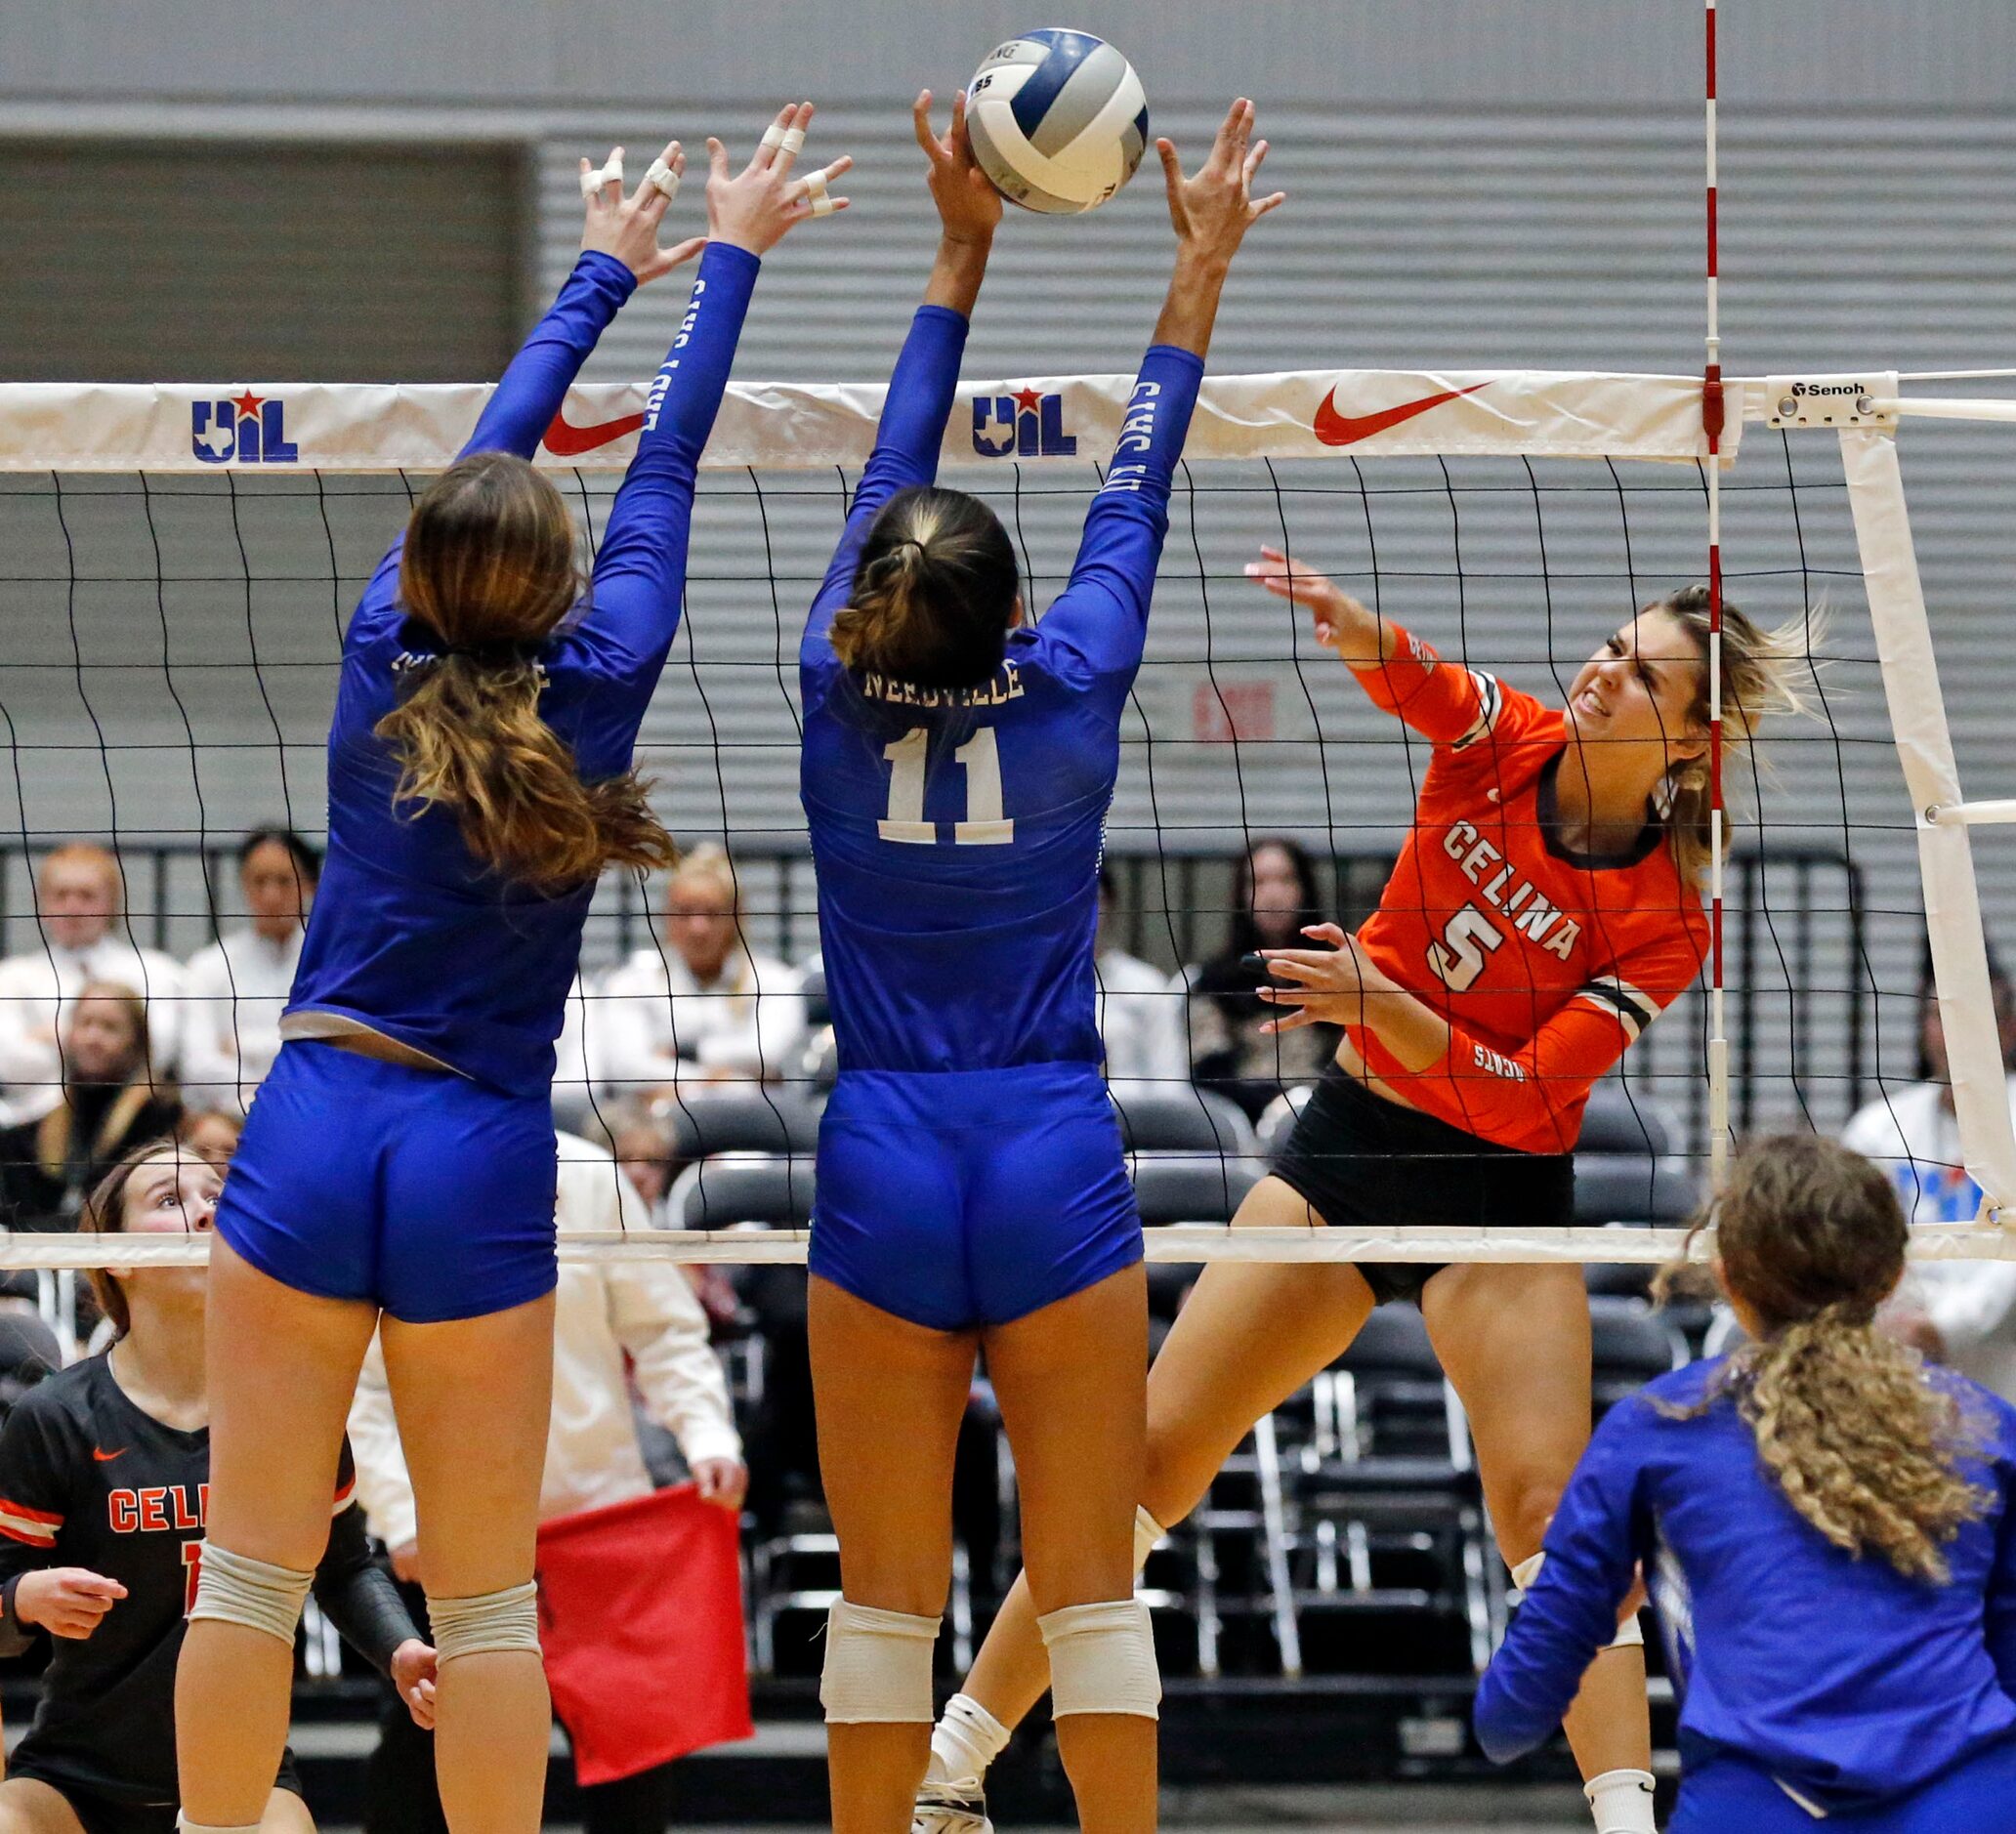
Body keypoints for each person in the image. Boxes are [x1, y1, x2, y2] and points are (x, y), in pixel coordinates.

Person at [171, 113, 847, 1834]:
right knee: (484, 1608)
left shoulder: (374, 651)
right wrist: (738, 250)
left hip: (317, 1113)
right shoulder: (600, 675)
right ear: (555, 589)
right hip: (475, 1145)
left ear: (418, 572)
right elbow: (670, 463)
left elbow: (488, 450)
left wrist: (605, 266)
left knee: (246, 1577)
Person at [915, 563, 1816, 1834]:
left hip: (1499, 1196)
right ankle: (954, 1762)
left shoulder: (1669, 911)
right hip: (1347, 1151)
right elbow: (1432, 685)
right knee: (1145, 1465)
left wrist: (1390, 1007)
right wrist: (1358, 630)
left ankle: (1626, 1818)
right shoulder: (1513, 739)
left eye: (1644, 672)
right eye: (1612, 644)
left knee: (1551, 1514)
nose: (1605, 670)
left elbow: (1525, 1097)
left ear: (1689, 736)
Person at [800, 91, 1280, 1834]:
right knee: (1085, 1583)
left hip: (881, 1146)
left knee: (881, 1600)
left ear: (872, 597)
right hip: (1048, 1149)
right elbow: (1134, 474)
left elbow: (892, 474)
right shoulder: (1070, 677)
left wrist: (958, 237)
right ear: (1013, 615)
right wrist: (1195, 258)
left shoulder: (826, 684)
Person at [1475, 1133, 2016, 1830]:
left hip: (1752, 1809)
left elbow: (1508, 1721)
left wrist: (1594, 1606)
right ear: (1890, 1276)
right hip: (1971, 1805)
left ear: (1727, 1277)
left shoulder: (1658, 1430)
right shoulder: (1986, 1428)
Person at [0, 1141, 435, 1834]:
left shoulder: (296, 1408)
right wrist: (22, 1599)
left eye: (217, 1198)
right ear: (117, 1257)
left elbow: (345, 1567)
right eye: (171, 1201)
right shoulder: (55, 1418)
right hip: (72, 1779)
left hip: (247, 1773)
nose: (206, 1214)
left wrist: (399, 1648)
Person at [346, 1131, 745, 1834]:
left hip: (598, 1526)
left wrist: (706, 1434)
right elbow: (363, 1385)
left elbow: (663, 1328)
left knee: (634, 1787)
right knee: (416, 1777)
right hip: (450, 1543)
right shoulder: (385, 1175)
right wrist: (402, 1516)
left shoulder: (585, 1170)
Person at [1847, 952, 2016, 1400]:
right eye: (1938, 1016)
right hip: (1896, 1346)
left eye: (1971, 1017)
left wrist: (1945, 1327)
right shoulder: (1878, 1127)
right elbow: (1858, 1241)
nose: (1951, 1034)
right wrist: (1902, 1318)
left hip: (2001, 1353)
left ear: (2007, 1030)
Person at [591, 846, 808, 1100]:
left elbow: (768, 1052)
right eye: (685, 912)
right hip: (657, 1124)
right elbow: (626, 1068)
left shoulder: (775, 981)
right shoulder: (631, 982)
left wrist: (685, 1053)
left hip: (750, 1125)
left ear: (736, 916)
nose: (698, 928)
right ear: (665, 916)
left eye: (712, 913)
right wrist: (724, 1080)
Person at [0, 846, 184, 1128]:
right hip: (28, 1125)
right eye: (61, 895)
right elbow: (7, 1063)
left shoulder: (155, 971)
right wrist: (107, 1038)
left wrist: (54, 1037)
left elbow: (156, 1049)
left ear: (112, 903)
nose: (73, 907)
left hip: (130, 1125)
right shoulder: (11, 976)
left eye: (87, 896)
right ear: (43, 905)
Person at [0, 984, 182, 1231]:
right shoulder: (44, 1130)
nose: (93, 1038)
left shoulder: (161, 1116)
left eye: (109, 1027)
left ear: (136, 1042)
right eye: (85, 1024)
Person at [1183, 837, 1336, 1119]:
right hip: (1241, 1127)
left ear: (1305, 889)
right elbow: (1209, 1074)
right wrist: (1274, 1108)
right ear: (1241, 893)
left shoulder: (1335, 975)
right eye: (1259, 882)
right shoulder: (1214, 982)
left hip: (1326, 1120)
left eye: (1285, 880)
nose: (1273, 894)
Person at [177, 831, 320, 1117]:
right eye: (259, 881)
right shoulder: (209, 966)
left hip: (314, 1112)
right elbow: (197, 1065)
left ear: (309, 886)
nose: (271, 895)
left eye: (284, 881)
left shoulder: (330, 964)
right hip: (231, 1118)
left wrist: (243, 1045)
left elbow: (328, 1055)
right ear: (244, 885)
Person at [1092, 868, 1186, 1095]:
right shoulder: (1034, 990)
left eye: (1093, 900)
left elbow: (1171, 1084)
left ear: (1110, 904)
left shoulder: (1146, 985)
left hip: (1137, 1124)